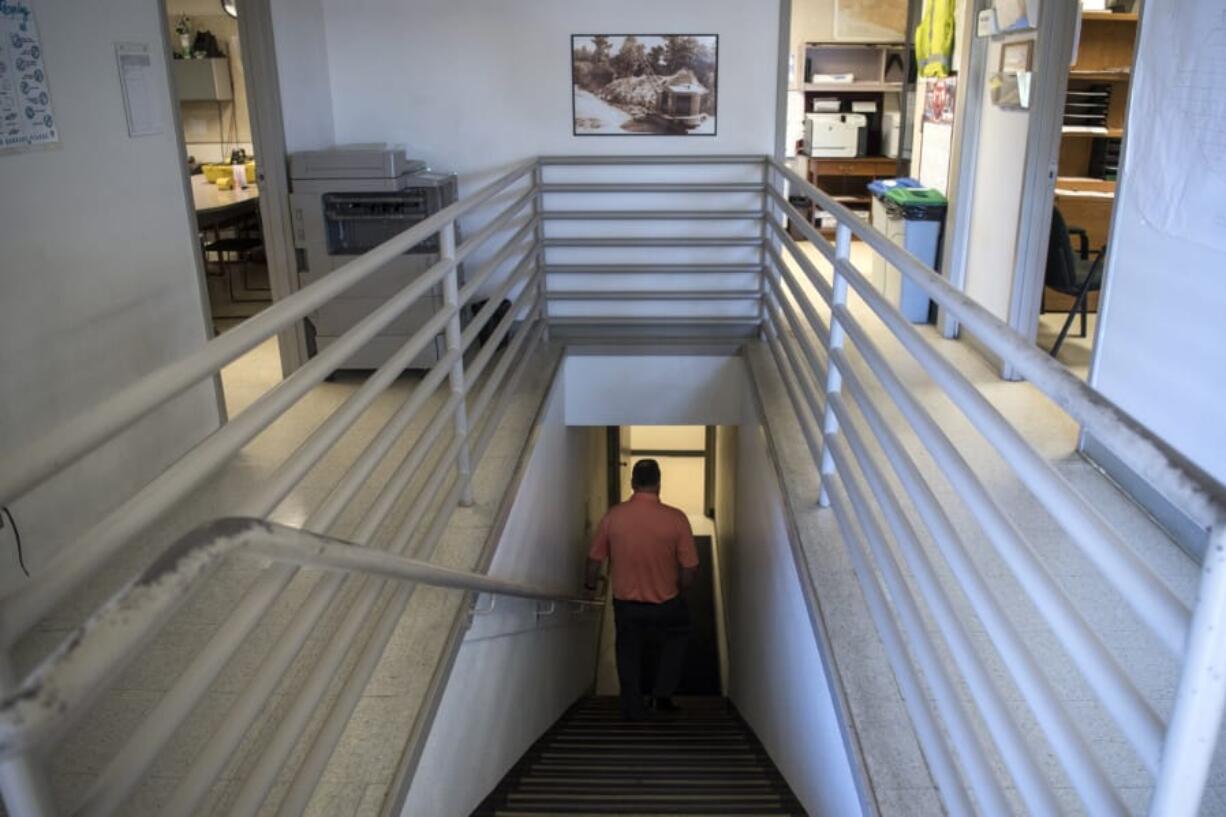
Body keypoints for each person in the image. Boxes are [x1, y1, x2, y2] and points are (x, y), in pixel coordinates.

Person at [585, 459, 699, 721]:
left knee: (627, 650)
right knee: (677, 636)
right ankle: (662, 695)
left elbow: (594, 561)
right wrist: (682, 590)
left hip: (626, 604)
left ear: (633, 482)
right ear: (659, 483)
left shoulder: (614, 516)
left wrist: (589, 586)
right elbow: (689, 569)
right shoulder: (676, 519)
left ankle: (632, 706)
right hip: (667, 601)